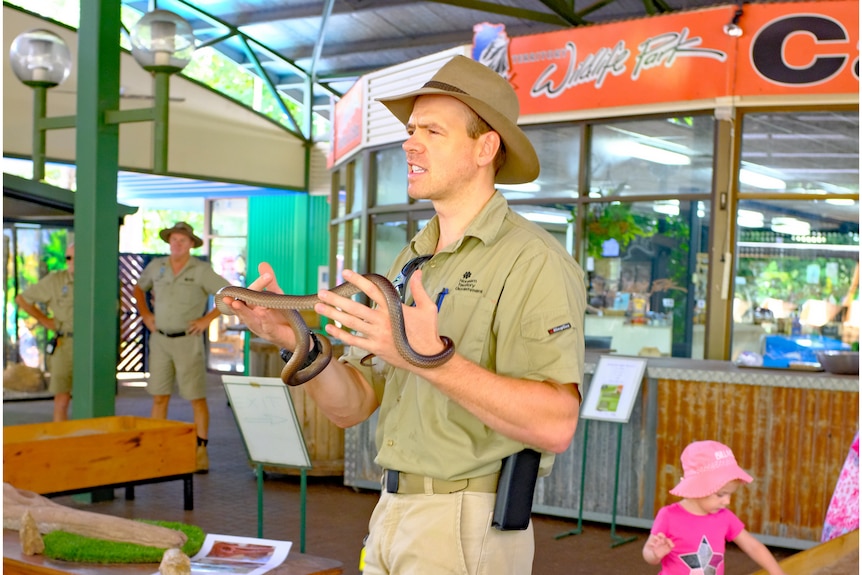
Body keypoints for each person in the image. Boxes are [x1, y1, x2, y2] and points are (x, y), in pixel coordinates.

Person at [223, 55, 585, 574]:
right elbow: (352, 406)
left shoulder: (534, 261)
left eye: (433, 131)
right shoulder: (414, 257)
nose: (409, 142)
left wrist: (424, 358)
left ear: (486, 148)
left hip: (468, 524)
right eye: (412, 129)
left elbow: (556, 425)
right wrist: (295, 338)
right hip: (391, 511)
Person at [133, 222, 229, 474]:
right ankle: (156, 447)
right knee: (159, 396)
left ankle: (200, 450)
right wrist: (145, 314)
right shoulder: (157, 266)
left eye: (182, 240)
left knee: (196, 397)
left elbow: (228, 294)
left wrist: (207, 319)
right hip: (161, 340)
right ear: (169, 242)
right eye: (174, 239)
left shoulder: (201, 270)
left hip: (188, 341)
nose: (177, 244)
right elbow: (138, 288)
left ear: (191, 244)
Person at [643, 440, 787, 575]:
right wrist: (655, 554)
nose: (727, 501)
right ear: (697, 486)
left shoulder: (725, 517)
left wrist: (778, 573)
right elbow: (648, 553)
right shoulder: (668, 515)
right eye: (721, 495)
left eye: (730, 494)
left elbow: (753, 546)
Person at [15, 243, 75, 422]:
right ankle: (60, 442)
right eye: (68, 258)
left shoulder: (98, 279)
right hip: (65, 343)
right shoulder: (56, 280)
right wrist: (44, 320)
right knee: (62, 399)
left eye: (76, 257)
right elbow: (22, 299)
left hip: (92, 343)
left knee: (91, 397)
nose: (71, 262)